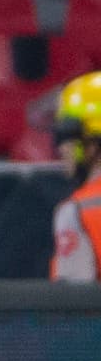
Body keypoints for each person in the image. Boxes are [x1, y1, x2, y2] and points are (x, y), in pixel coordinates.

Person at [51, 71, 101, 281]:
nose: (61, 148)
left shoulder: (78, 212)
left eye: (66, 136)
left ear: (92, 144)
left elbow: (72, 307)